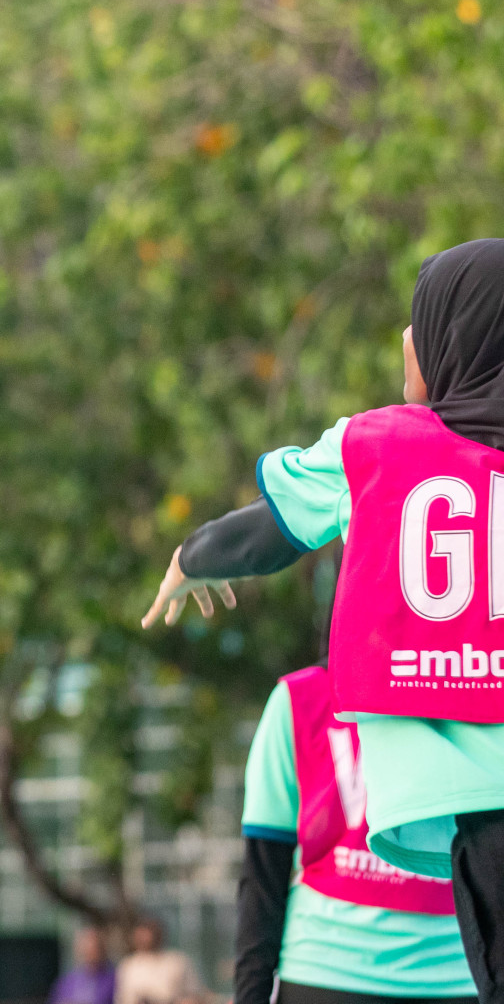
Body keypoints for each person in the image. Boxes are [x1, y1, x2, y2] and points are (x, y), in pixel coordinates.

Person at [141, 239, 504, 1004]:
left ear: (448, 340)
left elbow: (266, 535)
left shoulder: (380, 449)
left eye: (419, 323)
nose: (407, 341)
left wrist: (192, 556)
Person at [235, 663, 474, 1004]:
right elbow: (263, 871)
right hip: (327, 970)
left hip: (460, 971)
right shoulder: (301, 697)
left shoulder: (480, 685)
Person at [114, 916, 204, 1004]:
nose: (145, 939)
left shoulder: (177, 961)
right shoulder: (128, 965)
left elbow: (195, 996)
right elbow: (122, 998)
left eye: (148, 934)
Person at [50, 926, 117, 1004]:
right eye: (86, 948)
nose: (90, 953)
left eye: (94, 949)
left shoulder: (112, 980)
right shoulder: (67, 981)